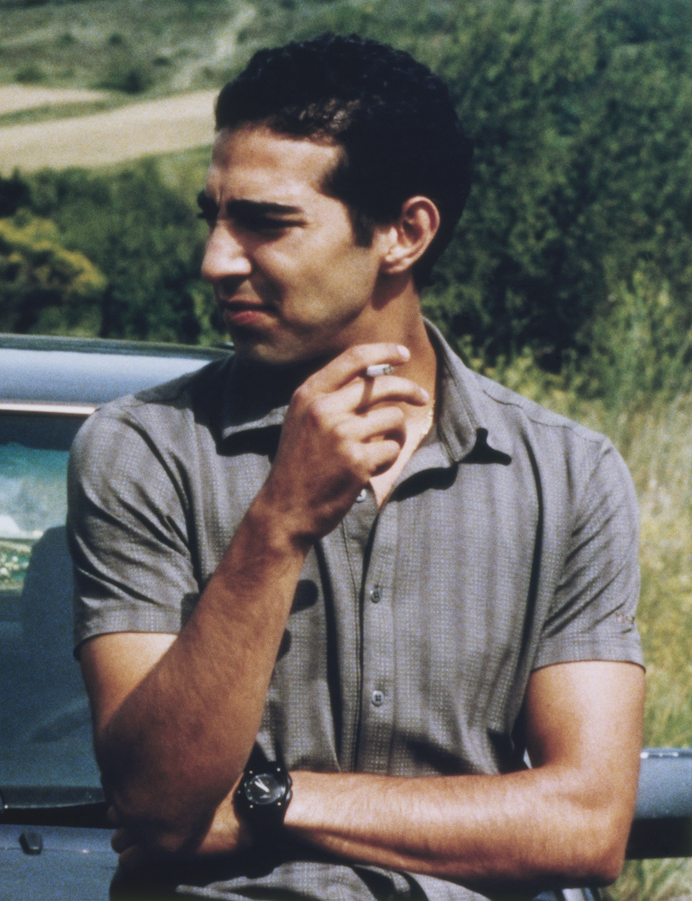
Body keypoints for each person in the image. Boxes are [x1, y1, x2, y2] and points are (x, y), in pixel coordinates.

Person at [70, 33, 643, 900]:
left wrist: (270, 797)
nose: (215, 260)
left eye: (265, 222)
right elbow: (157, 801)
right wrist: (277, 525)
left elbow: (585, 825)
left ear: (403, 234)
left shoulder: (568, 474)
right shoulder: (141, 449)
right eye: (211, 218)